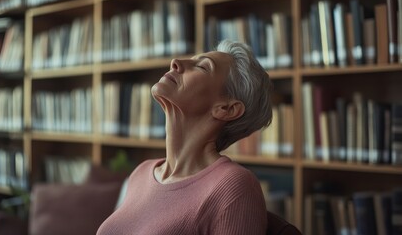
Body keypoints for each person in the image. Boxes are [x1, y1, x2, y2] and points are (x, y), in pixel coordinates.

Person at [97, 40, 273, 235]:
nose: (176, 62)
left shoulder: (234, 186)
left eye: (202, 67)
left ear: (226, 109)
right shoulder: (141, 173)